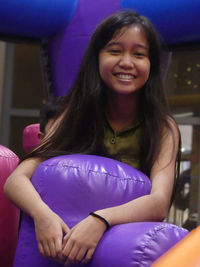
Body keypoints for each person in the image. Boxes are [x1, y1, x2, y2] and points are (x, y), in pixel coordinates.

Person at [4, 10, 180, 266]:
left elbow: (159, 202)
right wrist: (42, 214)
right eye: (115, 51)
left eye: (139, 54)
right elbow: (16, 180)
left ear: (151, 65)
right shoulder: (73, 114)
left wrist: (100, 220)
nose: (127, 62)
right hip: (57, 245)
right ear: (96, 58)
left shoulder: (163, 127)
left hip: (119, 250)